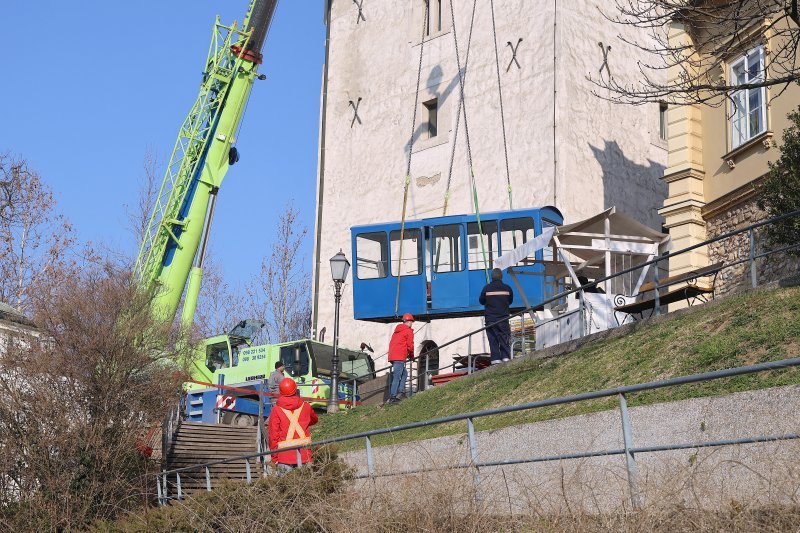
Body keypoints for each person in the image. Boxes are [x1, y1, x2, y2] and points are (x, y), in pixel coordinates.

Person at [268, 378, 318, 471]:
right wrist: (304, 422)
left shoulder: (276, 410)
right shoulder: (306, 406)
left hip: (284, 457)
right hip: (305, 455)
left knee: (286, 485)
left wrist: (274, 458)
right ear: (296, 390)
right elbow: (315, 420)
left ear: (280, 392)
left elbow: (273, 435)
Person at [479, 268, 514, 364]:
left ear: (492, 277)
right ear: (501, 276)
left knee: (493, 338)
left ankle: (495, 359)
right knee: (504, 337)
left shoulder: (486, 288)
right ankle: (506, 357)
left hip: (490, 319)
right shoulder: (507, 288)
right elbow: (510, 301)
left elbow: (481, 301)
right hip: (503, 318)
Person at [387, 313, 415, 404]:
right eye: (411, 321)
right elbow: (410, 346)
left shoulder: (396, 331)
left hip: (393, 356)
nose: (412, 323)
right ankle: (393, 397)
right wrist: (411, 356)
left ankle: (401, 391)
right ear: (408, 322)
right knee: (397, 376)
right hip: (399, 356)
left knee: (404, 373)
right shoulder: (408, 331)